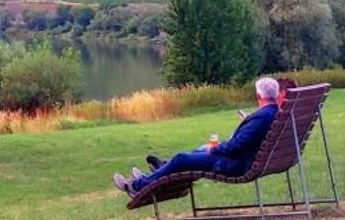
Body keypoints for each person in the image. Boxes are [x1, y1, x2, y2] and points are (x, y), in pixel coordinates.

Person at [115, 77, 285, 195]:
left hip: (235, 164)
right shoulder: (276, 114)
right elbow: (250, 137)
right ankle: (161, 169)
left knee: (182, 159)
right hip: (247, 160)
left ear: (258, 96)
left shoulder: (261, 117)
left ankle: (138, 186)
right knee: (197, 152)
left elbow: (236, 145)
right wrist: (248, 122)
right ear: (276, 95)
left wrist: (216, 148)